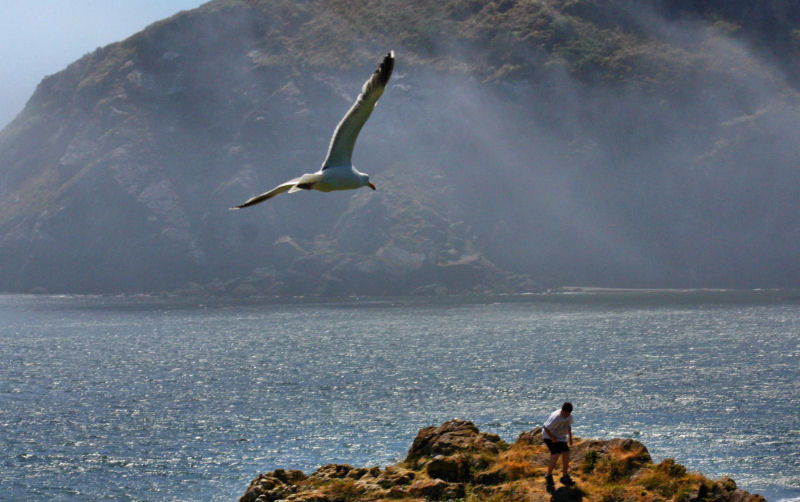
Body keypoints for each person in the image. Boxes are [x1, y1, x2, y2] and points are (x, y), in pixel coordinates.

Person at [543, 402, 574, 489]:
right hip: (548, 436)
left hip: (561, 437)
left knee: (566, 453)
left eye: (568, 414)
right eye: (565, 413)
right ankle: (548, 475)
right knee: (556, 454)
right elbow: (545, 427)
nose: (566, 415)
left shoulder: (569, 417)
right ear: (562, 411)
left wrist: (570, 438)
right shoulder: (556, 417)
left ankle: (565, 475)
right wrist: (552, 438)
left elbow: (568, 426)